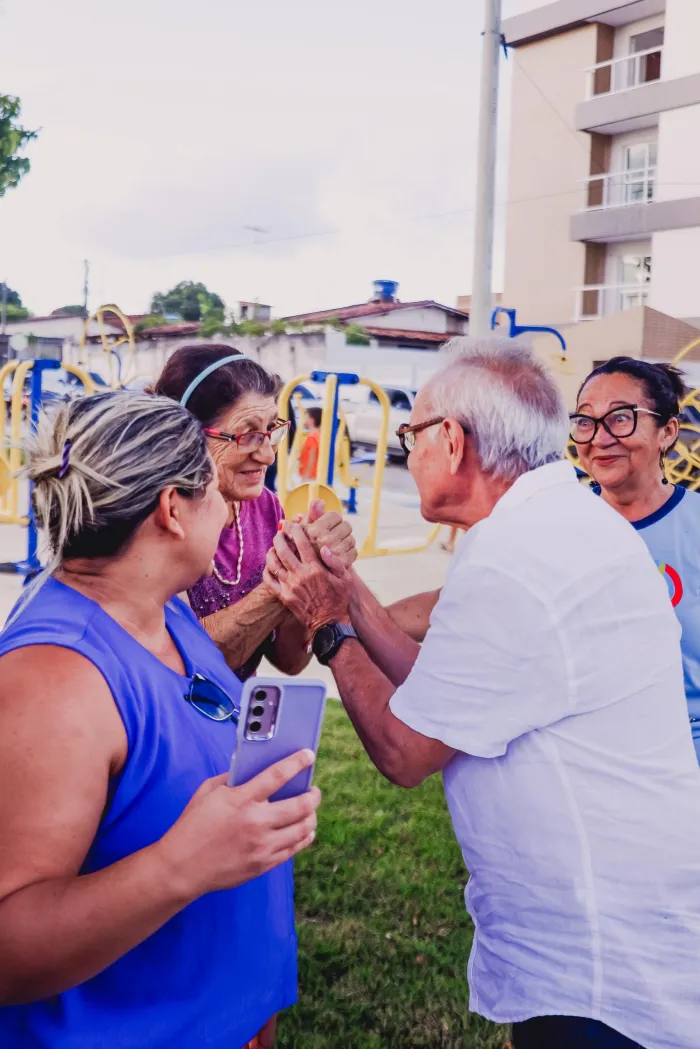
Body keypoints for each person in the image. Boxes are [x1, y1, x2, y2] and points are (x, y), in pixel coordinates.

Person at [265, 338, 700, 1049]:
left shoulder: (514, 558)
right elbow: (447, 687)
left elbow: (406, 750)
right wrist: (350, 591)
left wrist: (328, 627)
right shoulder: (552, 519)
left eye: (413, 434)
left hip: (602, 958)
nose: (411, 452)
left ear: (454, 440)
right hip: (634, 914)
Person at [0, 391, 320, 1049]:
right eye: (215, 491)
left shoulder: (164, 612)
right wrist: (178, 865)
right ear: (172, 508)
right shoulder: (55, 679)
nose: (234, 510)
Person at [153, 345, 355, 680]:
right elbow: (187, 660)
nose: (267, 456)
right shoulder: (158, 519)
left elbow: (290, 662)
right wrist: (283, 582)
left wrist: (310, 568)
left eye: (272, 431)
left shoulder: (264, 507)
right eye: (247, 436)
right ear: (186, 434)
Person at [571, 356, 700, 762]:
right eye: (585, 421)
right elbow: (474, 599)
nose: (599, 437)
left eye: (621, 418)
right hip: (586, 757)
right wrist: (366, 616)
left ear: (667, 432)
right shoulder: (556, 524)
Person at [299, 407, 322, 481]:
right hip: (317, 475)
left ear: (312, 420)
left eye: (307, 417)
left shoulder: (312, 437)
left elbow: (311, 459)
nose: (305, 420)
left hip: (310, 477)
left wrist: (305, 477)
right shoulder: (319, 435)